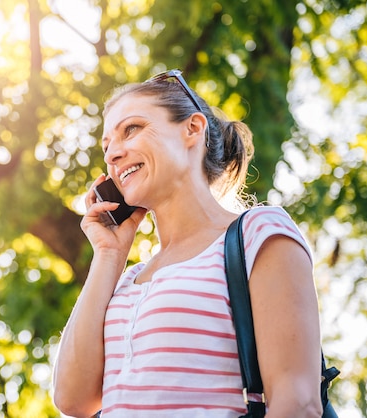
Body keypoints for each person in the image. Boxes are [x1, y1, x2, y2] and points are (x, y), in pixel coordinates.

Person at [52, 69, 323, 417]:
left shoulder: (256, 233)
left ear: (192, 129)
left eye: (131, 129)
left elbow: (297, 404)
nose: (113, 155)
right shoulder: (125, 280)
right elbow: (72, 399)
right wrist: (108, 253)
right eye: (106, 147)